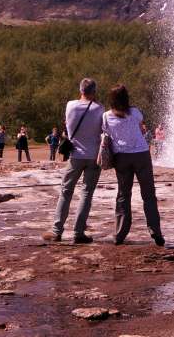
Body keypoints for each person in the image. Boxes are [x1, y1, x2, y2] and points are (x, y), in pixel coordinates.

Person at [101, 85, 164, 246]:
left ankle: (120, 234)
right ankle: (155, 232)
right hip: (141, 154)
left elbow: (106, 133)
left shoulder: (106, 116)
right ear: (126, 98)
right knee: (148, 194)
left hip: (121, 157)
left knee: (123, 194)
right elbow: (140, 125)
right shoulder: (135, 112)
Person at [44, 78, 104, 244]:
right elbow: (101, 129)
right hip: (93, 156)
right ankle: (78, 232)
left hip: (75, 156)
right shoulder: (99, 108)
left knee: (66, 191)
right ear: (94, 91)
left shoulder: (70, 105)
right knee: (86, 194)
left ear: (81, 90)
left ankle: (57, 230)